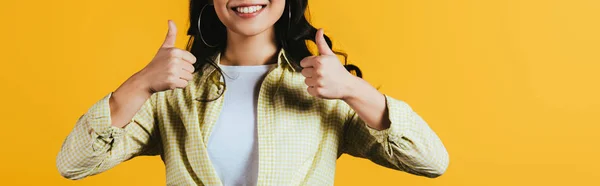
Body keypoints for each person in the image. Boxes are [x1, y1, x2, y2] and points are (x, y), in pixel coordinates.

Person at [56, 0, 449, 185]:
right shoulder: (171, 92)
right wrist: (140, 82)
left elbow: (431, 161)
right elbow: (73, 165)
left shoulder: (324, 91)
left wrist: (353, 89)